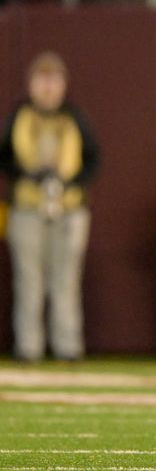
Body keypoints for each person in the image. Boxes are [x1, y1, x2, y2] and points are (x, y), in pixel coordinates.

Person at [0, 51, 100, 362]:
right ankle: (28, 346)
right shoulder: (20, 116)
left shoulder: (74, 117)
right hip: (28, 207)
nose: (47, 87)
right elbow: (4, 157)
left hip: (67, 210)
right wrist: (28, 176)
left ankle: (67, 345)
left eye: (53, 80)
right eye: (41, 80)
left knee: (66, 280)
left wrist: (70, 184)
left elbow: (93, 159)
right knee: (28, 280)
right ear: (31, 84)